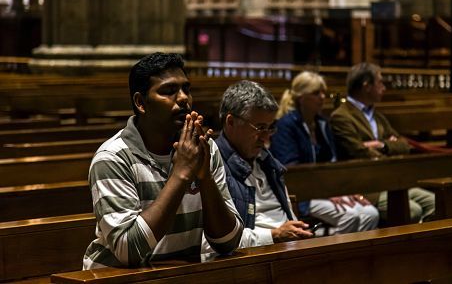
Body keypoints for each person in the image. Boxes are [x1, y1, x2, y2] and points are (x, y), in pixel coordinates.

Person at [83, 53, 243, 269]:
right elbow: (128, 251)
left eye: (186, 89)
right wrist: (181, 174)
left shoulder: (204, 149)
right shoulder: (113, 157)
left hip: (177, 276)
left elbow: (228, 242)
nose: (184, 98)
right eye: (168, 91)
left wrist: (204, 178)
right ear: (141, 103)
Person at [270, 71, 379, 234]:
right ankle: (327, 251)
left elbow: (333, 163)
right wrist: (326, 192)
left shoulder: (322, 123)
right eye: (316, 93)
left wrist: (344, 190)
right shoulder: (286, 126)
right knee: (351, 217)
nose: (322, 97)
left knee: (371, 214)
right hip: (302, 195)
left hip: (326, 191)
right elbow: (291, 172)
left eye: (323, 93)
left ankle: (342, 250)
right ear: (301, 98)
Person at [330, 62, 434, 223]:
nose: (384, 87)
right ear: (367, 86)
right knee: (413, 210)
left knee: (434, 203)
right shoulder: (341, 116)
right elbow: (358, 151)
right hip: (367, 187)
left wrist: (381, 145)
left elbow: (404, 145)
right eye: (380, 82)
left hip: (391, 182)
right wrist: (389, 147)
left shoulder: (377, 116)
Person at [215, 80, 314, 247]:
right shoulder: (213, 164)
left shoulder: (267, 161)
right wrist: (275, 235)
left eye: (270, 127)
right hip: (256, 259)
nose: (266, 137)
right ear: (230, 122)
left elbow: (289, 217)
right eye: (260, 127)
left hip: (289, 249)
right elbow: (221, 241)